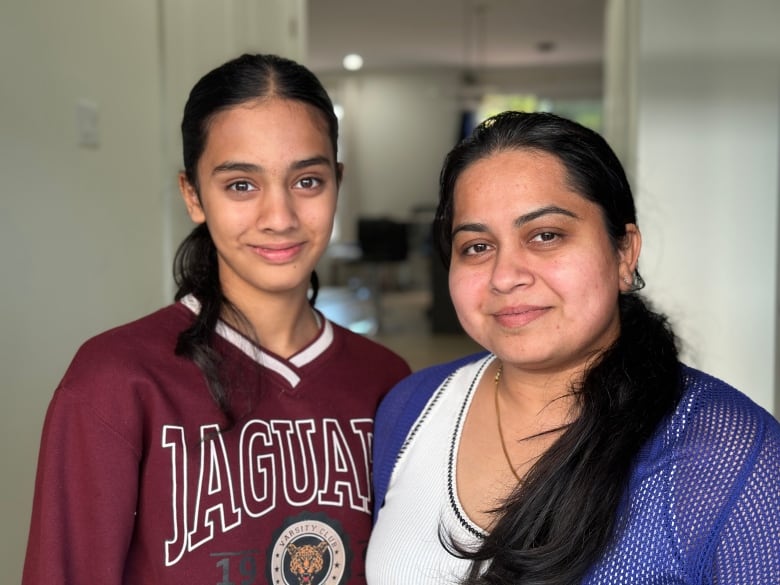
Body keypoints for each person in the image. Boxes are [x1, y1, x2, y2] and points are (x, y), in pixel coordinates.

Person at [22, 53, 410, 585]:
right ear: (193, 195)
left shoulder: (388, 381)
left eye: (308, 181)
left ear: (337, 183)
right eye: (241, 185)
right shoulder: (113, 380)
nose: (280, 218)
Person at [366, 111, 780, 584]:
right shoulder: (410, 409)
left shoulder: (731, 455)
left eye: (546, 236)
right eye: (477, 247)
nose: (505, 276)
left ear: (623, 252)